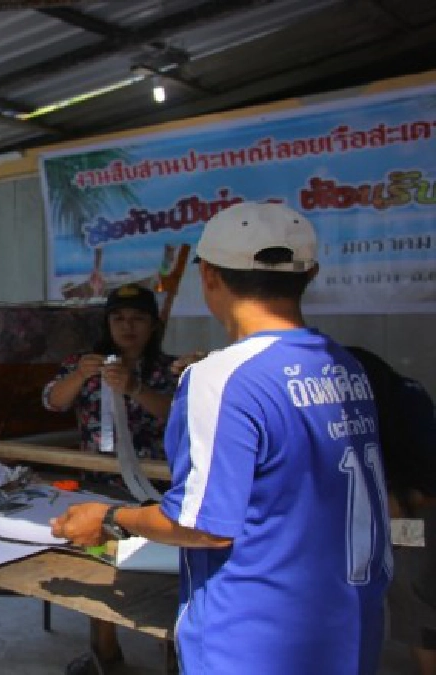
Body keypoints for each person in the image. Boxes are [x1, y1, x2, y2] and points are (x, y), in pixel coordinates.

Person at [51, 202, 392, 674]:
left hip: (254, 638)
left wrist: (109, 517)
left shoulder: (219, 377)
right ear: (310, 274)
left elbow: (203, 526)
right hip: (345, 627)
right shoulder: (345, 366)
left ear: (208, 275)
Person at [42, 282, 177, 675]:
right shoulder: (83, 364)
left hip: (154, 488)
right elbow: (52, 401)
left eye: (138, 319)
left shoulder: (169, 369)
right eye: (119, 318)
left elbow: (178, 414)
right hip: (97, 485)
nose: (127, 327)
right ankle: (105, 654)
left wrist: (135, 388)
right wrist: (79, 377)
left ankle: (173, 656)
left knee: (163, 572)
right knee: (100, 568)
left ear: (153, 325)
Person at [346, 346, 436, 675]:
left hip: (411, 511)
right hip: (396, 509)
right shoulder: (402, 396)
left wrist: (404, 500)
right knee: (410, 599)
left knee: (413, 597)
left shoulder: (402, 403)